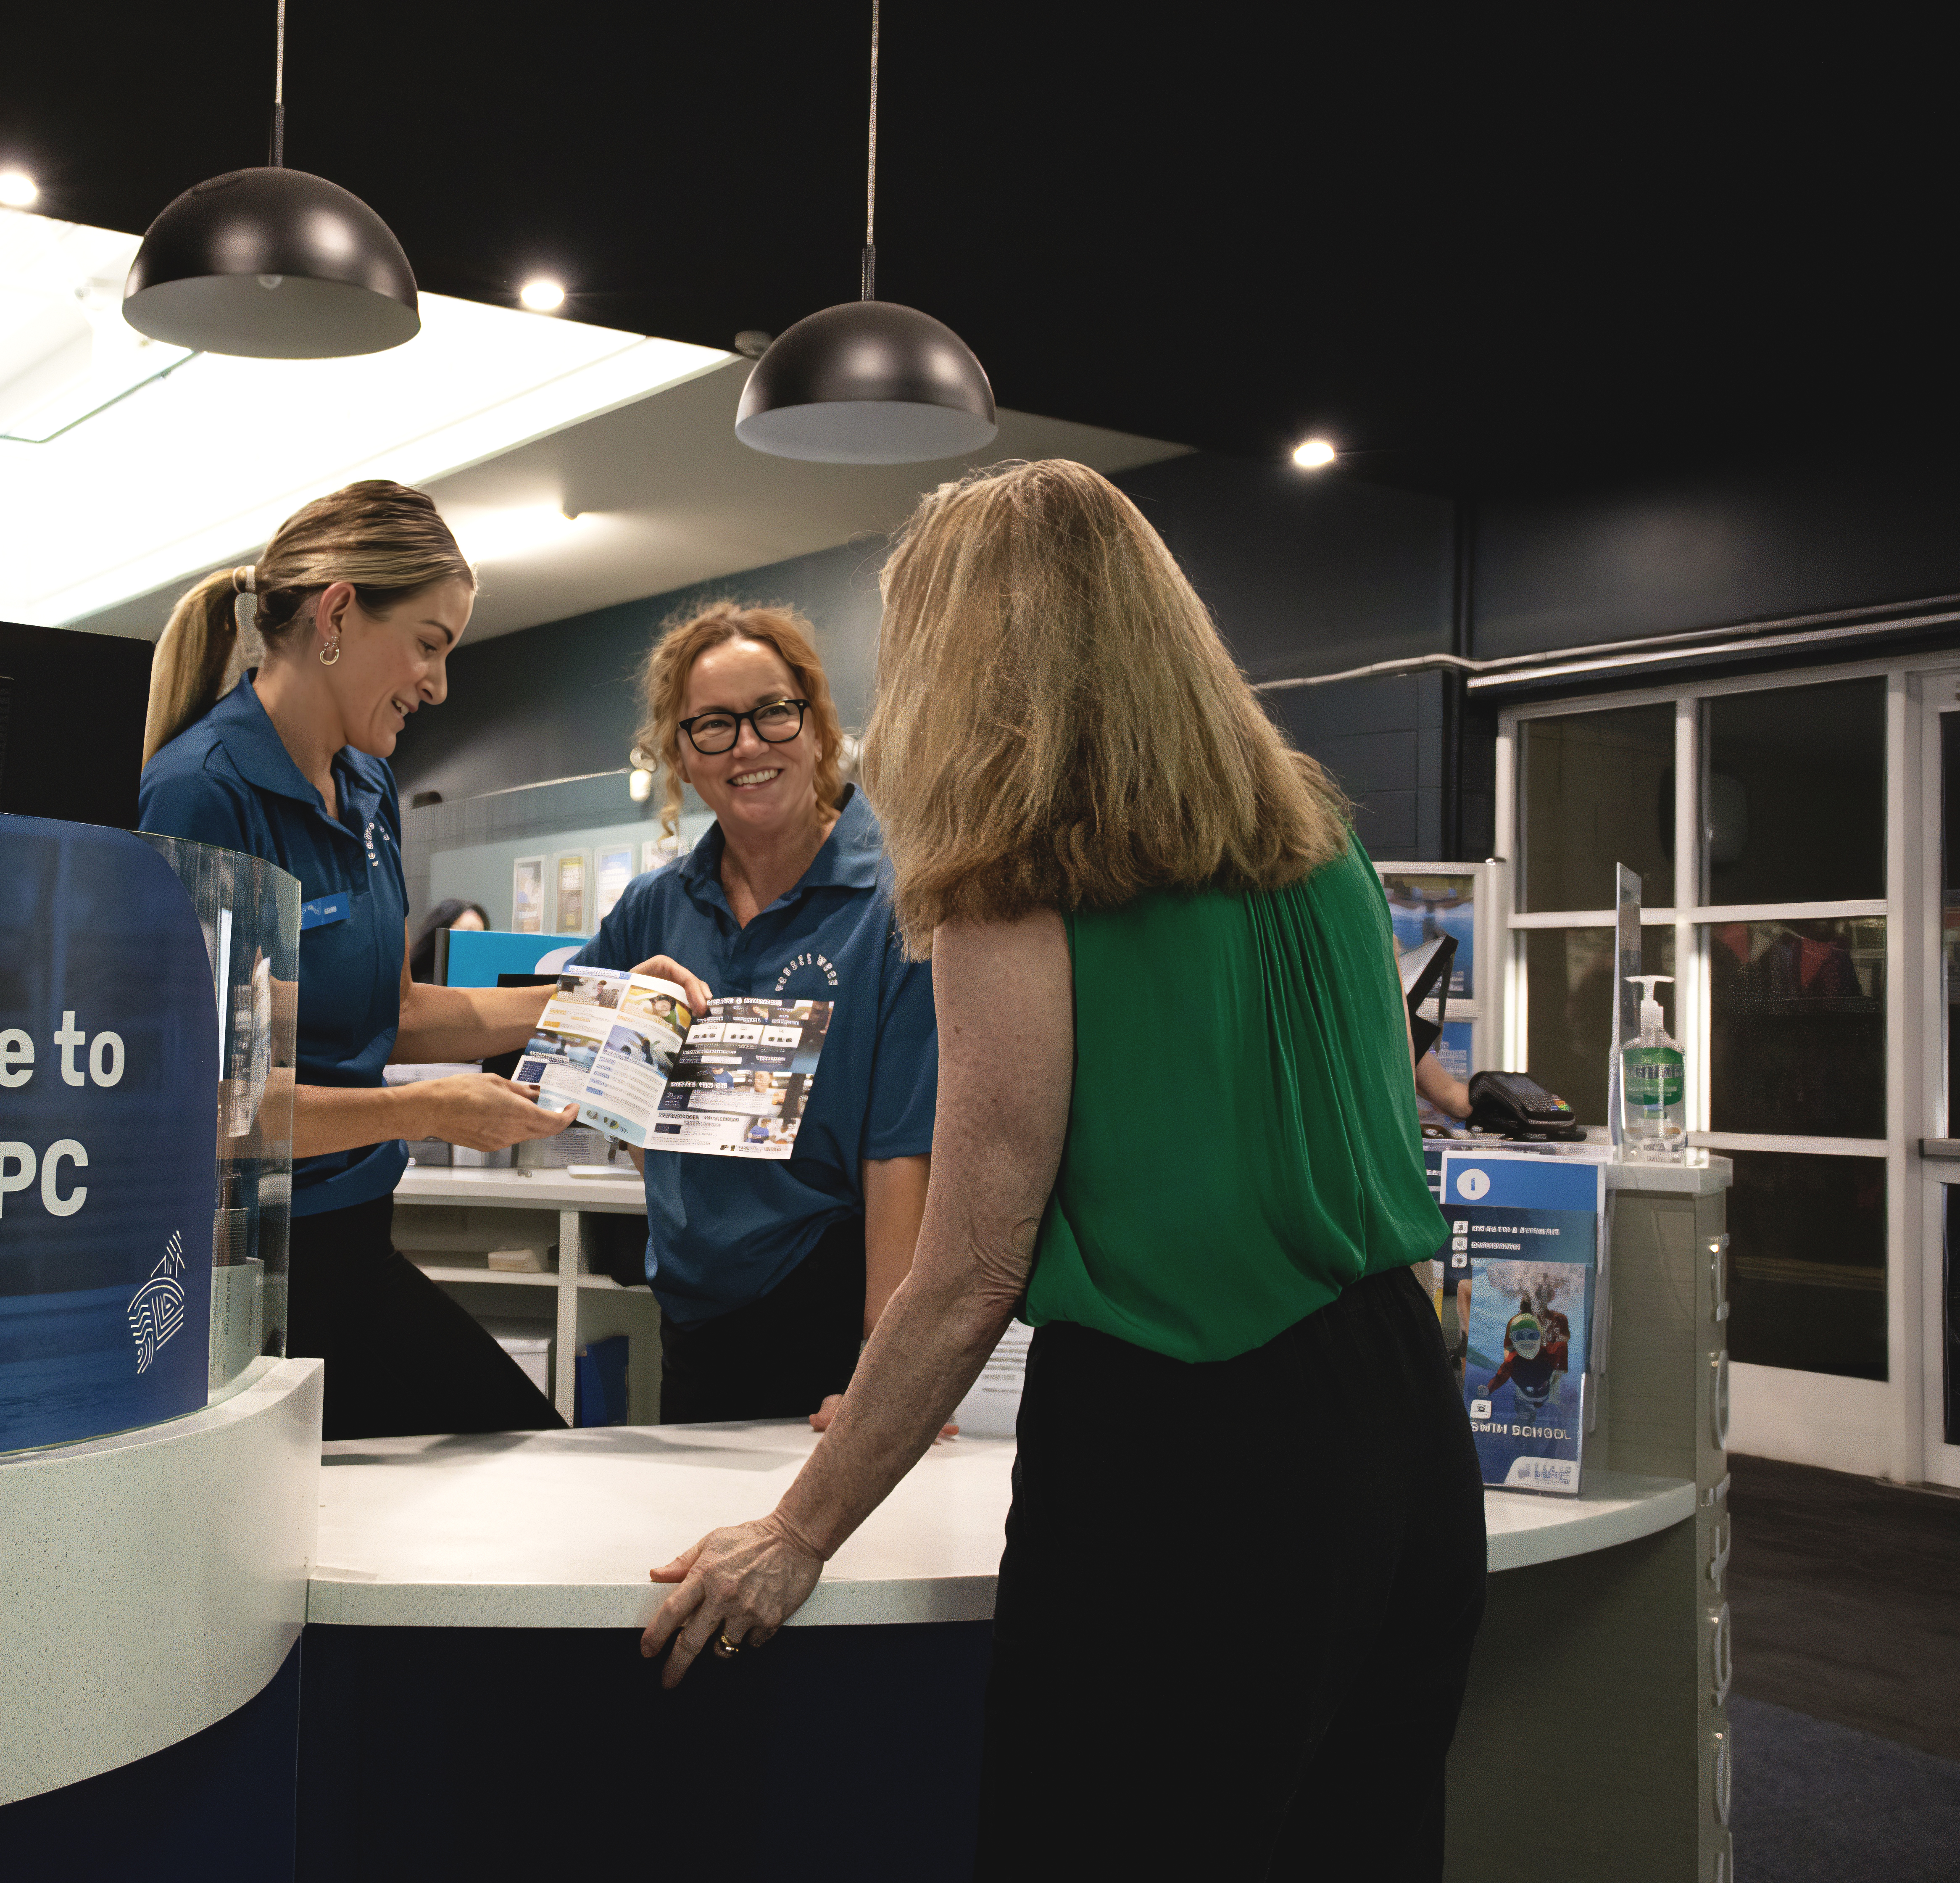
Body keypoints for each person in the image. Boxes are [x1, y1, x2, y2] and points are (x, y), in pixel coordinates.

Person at [640, 462, 1483, 1880]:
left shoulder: (1020, 880)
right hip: (1398, 1426)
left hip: (1183, 1462)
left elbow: (972, 1264)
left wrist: (798, 1531)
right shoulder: (1318, 836)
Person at [138, 480, 704, 1440]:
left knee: (527, 1453)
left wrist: (602, 1000)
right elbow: (215, 1109)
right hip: (250, 1271)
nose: (438, 685)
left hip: (357, 1241)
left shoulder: (365, 785)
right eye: (430, 645)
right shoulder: (204, 794)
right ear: (339, 613)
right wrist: (428, 1109)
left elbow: (393, 1014)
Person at [570, 603, 936, 1423]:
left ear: (816, 726)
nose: (748, 744)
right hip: (694, 1311)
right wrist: (666, 1169)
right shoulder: (654, 907)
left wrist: (889, 1361)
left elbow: (902, 1146)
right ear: (681, 759)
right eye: (713, 725)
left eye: (773, 711)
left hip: (836, 1303)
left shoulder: (897, 897)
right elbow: (587, 1064)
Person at [406, 898, 490, 987]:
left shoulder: (489, 985)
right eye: (467, 934)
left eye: (481, 935)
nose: (475, 944)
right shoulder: (416, 986)